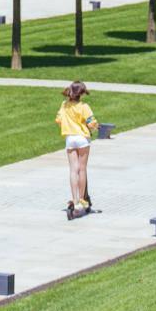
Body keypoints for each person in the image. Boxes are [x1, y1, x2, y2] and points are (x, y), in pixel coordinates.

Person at [55, 81, 98, 220]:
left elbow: (58, 120)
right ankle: (82, 200)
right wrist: (95, 127)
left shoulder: (64, 105)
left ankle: (75, 200)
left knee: (73, 170)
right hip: (82, 139)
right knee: (82, 169)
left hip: (70, 139)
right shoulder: (84, 106)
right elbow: (91, 122)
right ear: (82, 94)